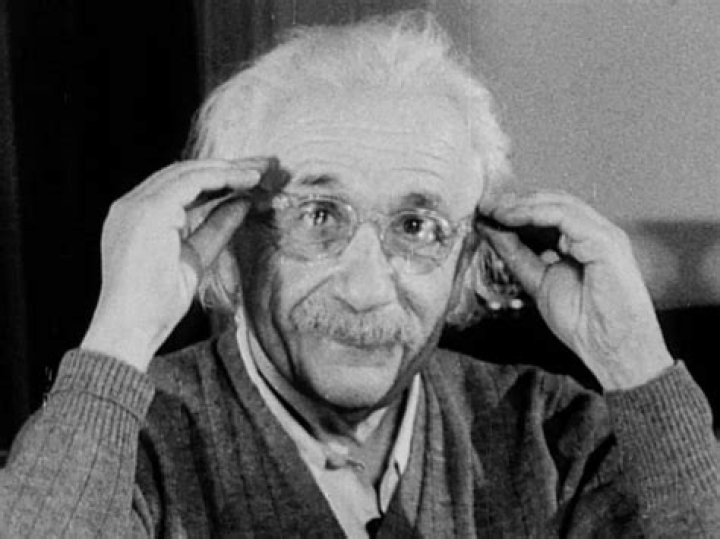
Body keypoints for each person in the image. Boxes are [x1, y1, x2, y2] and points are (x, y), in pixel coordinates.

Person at [1, 12, 718, 537]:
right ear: (230, 234)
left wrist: (634, 361)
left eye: (417, 226)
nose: (367, 289)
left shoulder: (550, 436)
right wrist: (120, 333)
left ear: (470, 254)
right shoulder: (127, 444)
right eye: (319, 216)